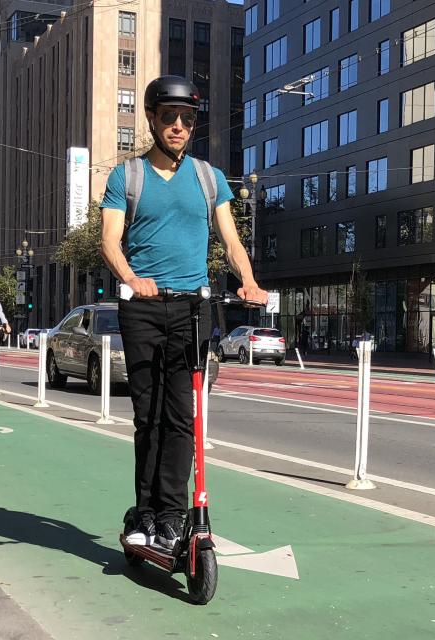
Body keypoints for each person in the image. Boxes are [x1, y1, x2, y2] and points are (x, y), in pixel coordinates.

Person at [100, 75, 268, 550]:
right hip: (143, 309)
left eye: (187, 120)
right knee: (147, 415)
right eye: (169, 117)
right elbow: (109, 242)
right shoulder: (126, 177)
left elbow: (231, 241)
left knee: (181, 416)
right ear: (152, 120)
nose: (178, 126)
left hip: (193, 309)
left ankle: (172, 515)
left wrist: (248, 280)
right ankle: (144, 513)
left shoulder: (207, 177)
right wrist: (132, 278)